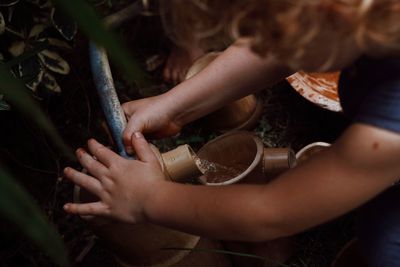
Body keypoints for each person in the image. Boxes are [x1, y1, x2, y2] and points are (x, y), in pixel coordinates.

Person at [63, 1, 400, 265]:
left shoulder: (391, 127)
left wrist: (147, 199)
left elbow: (271, 212)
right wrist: (176, 106)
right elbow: (276, 50)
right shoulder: (356, 15)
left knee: (385, 244)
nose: (259, 40)